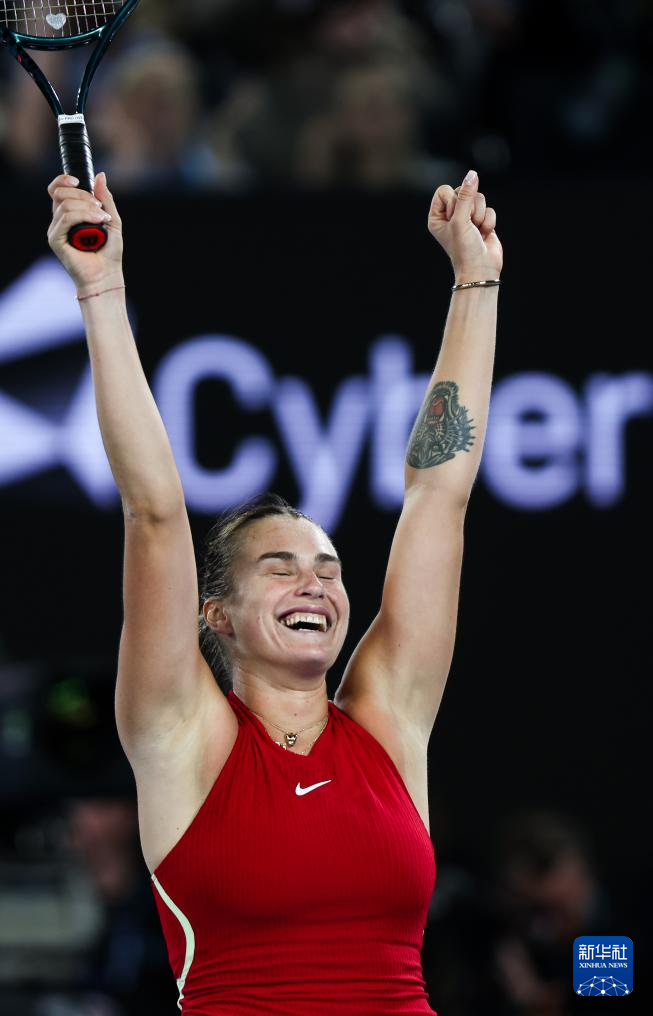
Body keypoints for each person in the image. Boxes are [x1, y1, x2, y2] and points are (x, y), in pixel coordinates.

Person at [46, 164, 502, 1013]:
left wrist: (474, 282)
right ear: (214, 614)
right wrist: (101, 291)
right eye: (281, 566)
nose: (315, 583)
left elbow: (439, 494)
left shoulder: (389, 718)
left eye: (328, 568)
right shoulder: (178, 731)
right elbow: (153, 512)